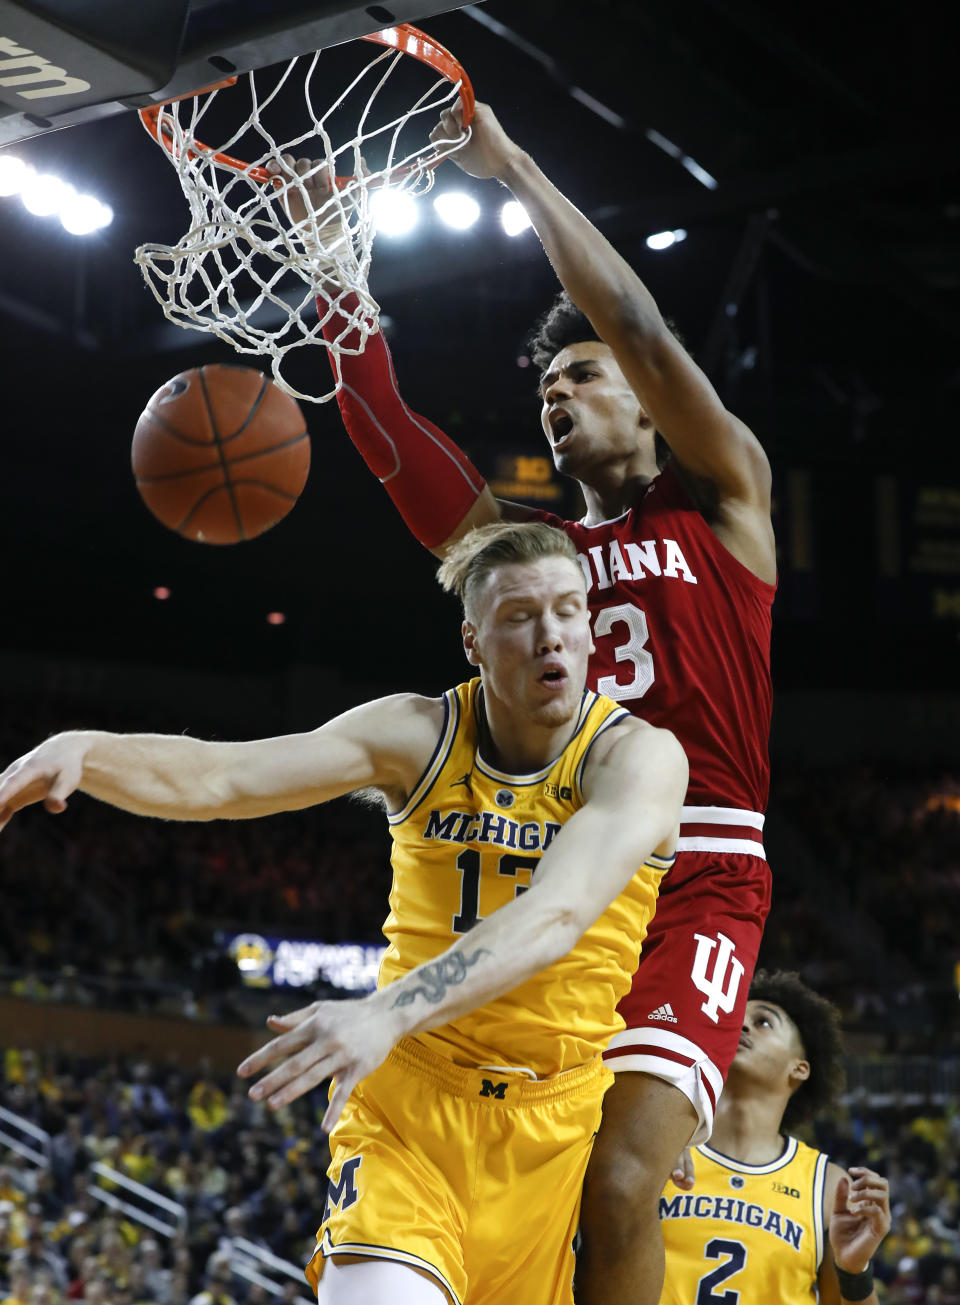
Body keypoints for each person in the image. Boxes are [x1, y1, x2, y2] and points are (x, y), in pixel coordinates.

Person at [277, 98, 776, 1304]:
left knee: (619, 1182)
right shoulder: (523, 554)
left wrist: (512, 170)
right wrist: (327, 268)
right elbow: (392, 436)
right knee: (550, 1209)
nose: (560, 397)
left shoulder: (724, 500)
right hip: (555, 878)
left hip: (698, 869)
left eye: (585, 377)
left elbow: (642, 324)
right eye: (547, 386)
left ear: (650, 405)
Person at [0, 521, 688, 1305]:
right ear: (473, 640)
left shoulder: (637, 757)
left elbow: (560, 913)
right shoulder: (417, 733)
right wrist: (88, 749)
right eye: (519, 616)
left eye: (567, 610)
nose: (549, 635)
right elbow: (224, 778)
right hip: (411, 1113)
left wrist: (385, 1009)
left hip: (560, 1124)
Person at [659, 970, 891, 1304]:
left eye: (764, 1022)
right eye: (735, 1017)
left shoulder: (826, 1187)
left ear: (800, 1067)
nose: (742, 1025)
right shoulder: (660, 1144)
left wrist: (854, 1271)